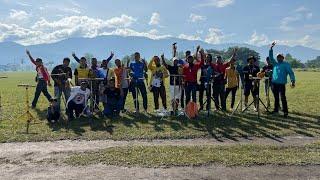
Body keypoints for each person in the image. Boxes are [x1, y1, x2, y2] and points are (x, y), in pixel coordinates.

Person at [269, 42, 295, 118]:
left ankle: (285, 112)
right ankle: (276, 110)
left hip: (281, 84)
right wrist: (271, 48)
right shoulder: (275, 63)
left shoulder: (286, 64)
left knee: (283, 97)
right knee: (276, 97)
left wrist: (292, 81)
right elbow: (271, 57)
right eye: (278, 57)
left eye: (280, 57)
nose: (279, 58)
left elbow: (291, 73)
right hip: (274, 83)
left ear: (283, 58)